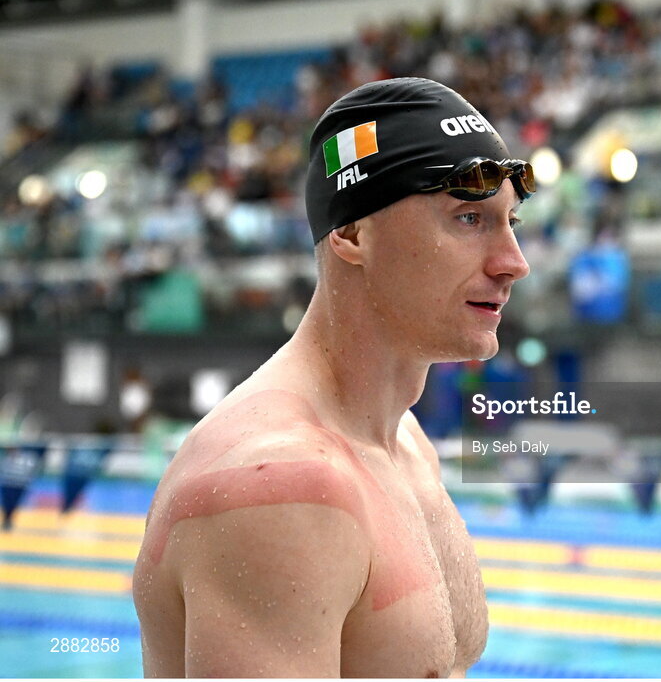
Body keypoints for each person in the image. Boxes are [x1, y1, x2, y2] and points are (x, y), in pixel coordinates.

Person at [133, 77, 532, 677]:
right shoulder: (280, 487)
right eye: (469, 218)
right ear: (351, 233)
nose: (513, 263)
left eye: (512, 223)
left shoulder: (407, 446)